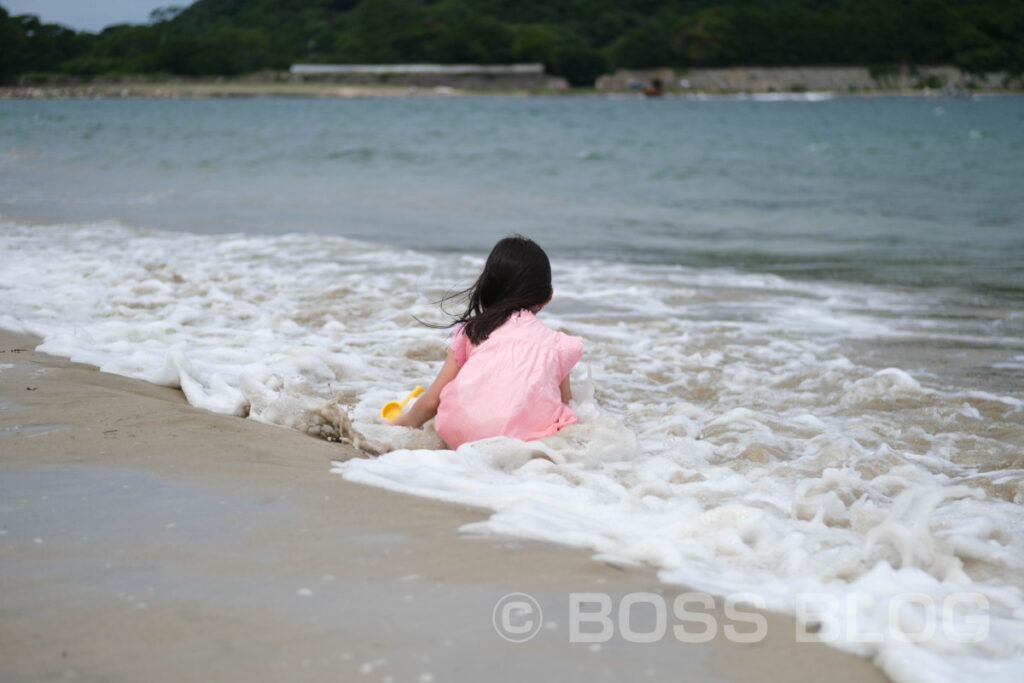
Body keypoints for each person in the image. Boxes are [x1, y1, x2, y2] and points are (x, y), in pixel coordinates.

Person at [392, 236, 583, 449]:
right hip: (520, 446)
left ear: (488, 286)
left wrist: (396, 425)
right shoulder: (557, 345)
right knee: (565, 416)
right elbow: (565, 401)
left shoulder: (473, 331)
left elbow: (431, 402)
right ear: (548, 297)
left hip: (459, 436)